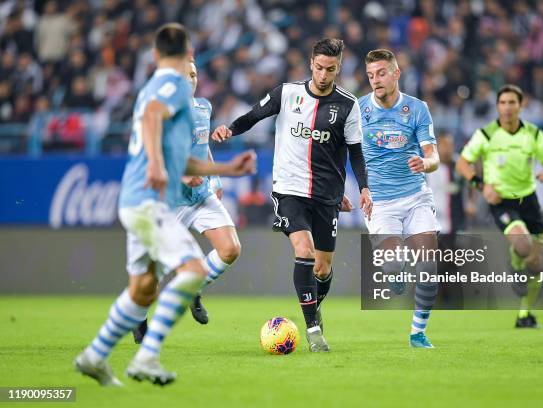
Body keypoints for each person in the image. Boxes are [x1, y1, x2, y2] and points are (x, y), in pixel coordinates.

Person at [74, 23, 255, 387]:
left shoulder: (159, 91)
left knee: (142, 290)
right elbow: (154, 116)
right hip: (152, 201)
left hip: (139, 199)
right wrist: (158, 165)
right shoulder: (168, 85)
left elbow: (186, 159)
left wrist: (224, 170)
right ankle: (146, 358)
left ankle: (93, 357)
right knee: (192, 272)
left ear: (155, 54)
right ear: (184, 54)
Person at [212, 38, 373, 352]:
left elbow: (355, 153)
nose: (324, 75)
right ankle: (313, 330)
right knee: (304, 249)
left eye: (331, 69)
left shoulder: (348, 105)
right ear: (310, 63)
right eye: (319, 68)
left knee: (323, 268)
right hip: (289, 189)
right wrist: (229, 129)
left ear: (338, 68)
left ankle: (313, 307)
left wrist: (363, 187)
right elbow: (253, 116)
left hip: (327, 195)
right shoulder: (287, 94)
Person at [131, 58, 241, 343]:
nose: (190, 80)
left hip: (200, 196)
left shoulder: (203, 107)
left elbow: (202, 147)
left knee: (230, 249)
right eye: (184, 75)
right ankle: (139, 321)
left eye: (193, 75)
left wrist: (214, 180)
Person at [456, 84, 543, 328]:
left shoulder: (534, 134)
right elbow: (463, 163)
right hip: (501, 201)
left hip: (529, 200)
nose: (507, 108)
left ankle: (525, 315)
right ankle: (514, 262)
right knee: (522, 245)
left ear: (521, 106)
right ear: (498, 106)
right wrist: (481, 186)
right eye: (503, 103)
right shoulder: (487, 134)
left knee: (535, 263)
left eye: (512, 103)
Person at [360, 49, 440, 348]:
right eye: (370, 76)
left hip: (416, 196)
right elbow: (348, 155)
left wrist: (426, 163)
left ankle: (417, 332)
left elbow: (432, 155)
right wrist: (358, 189)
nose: (375, 80)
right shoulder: (359, 111)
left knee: (429, 264)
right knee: (394, 264)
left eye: (381, 73)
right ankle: (396, 272)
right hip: (380, 203)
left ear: (396, 73)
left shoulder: (417, 109)